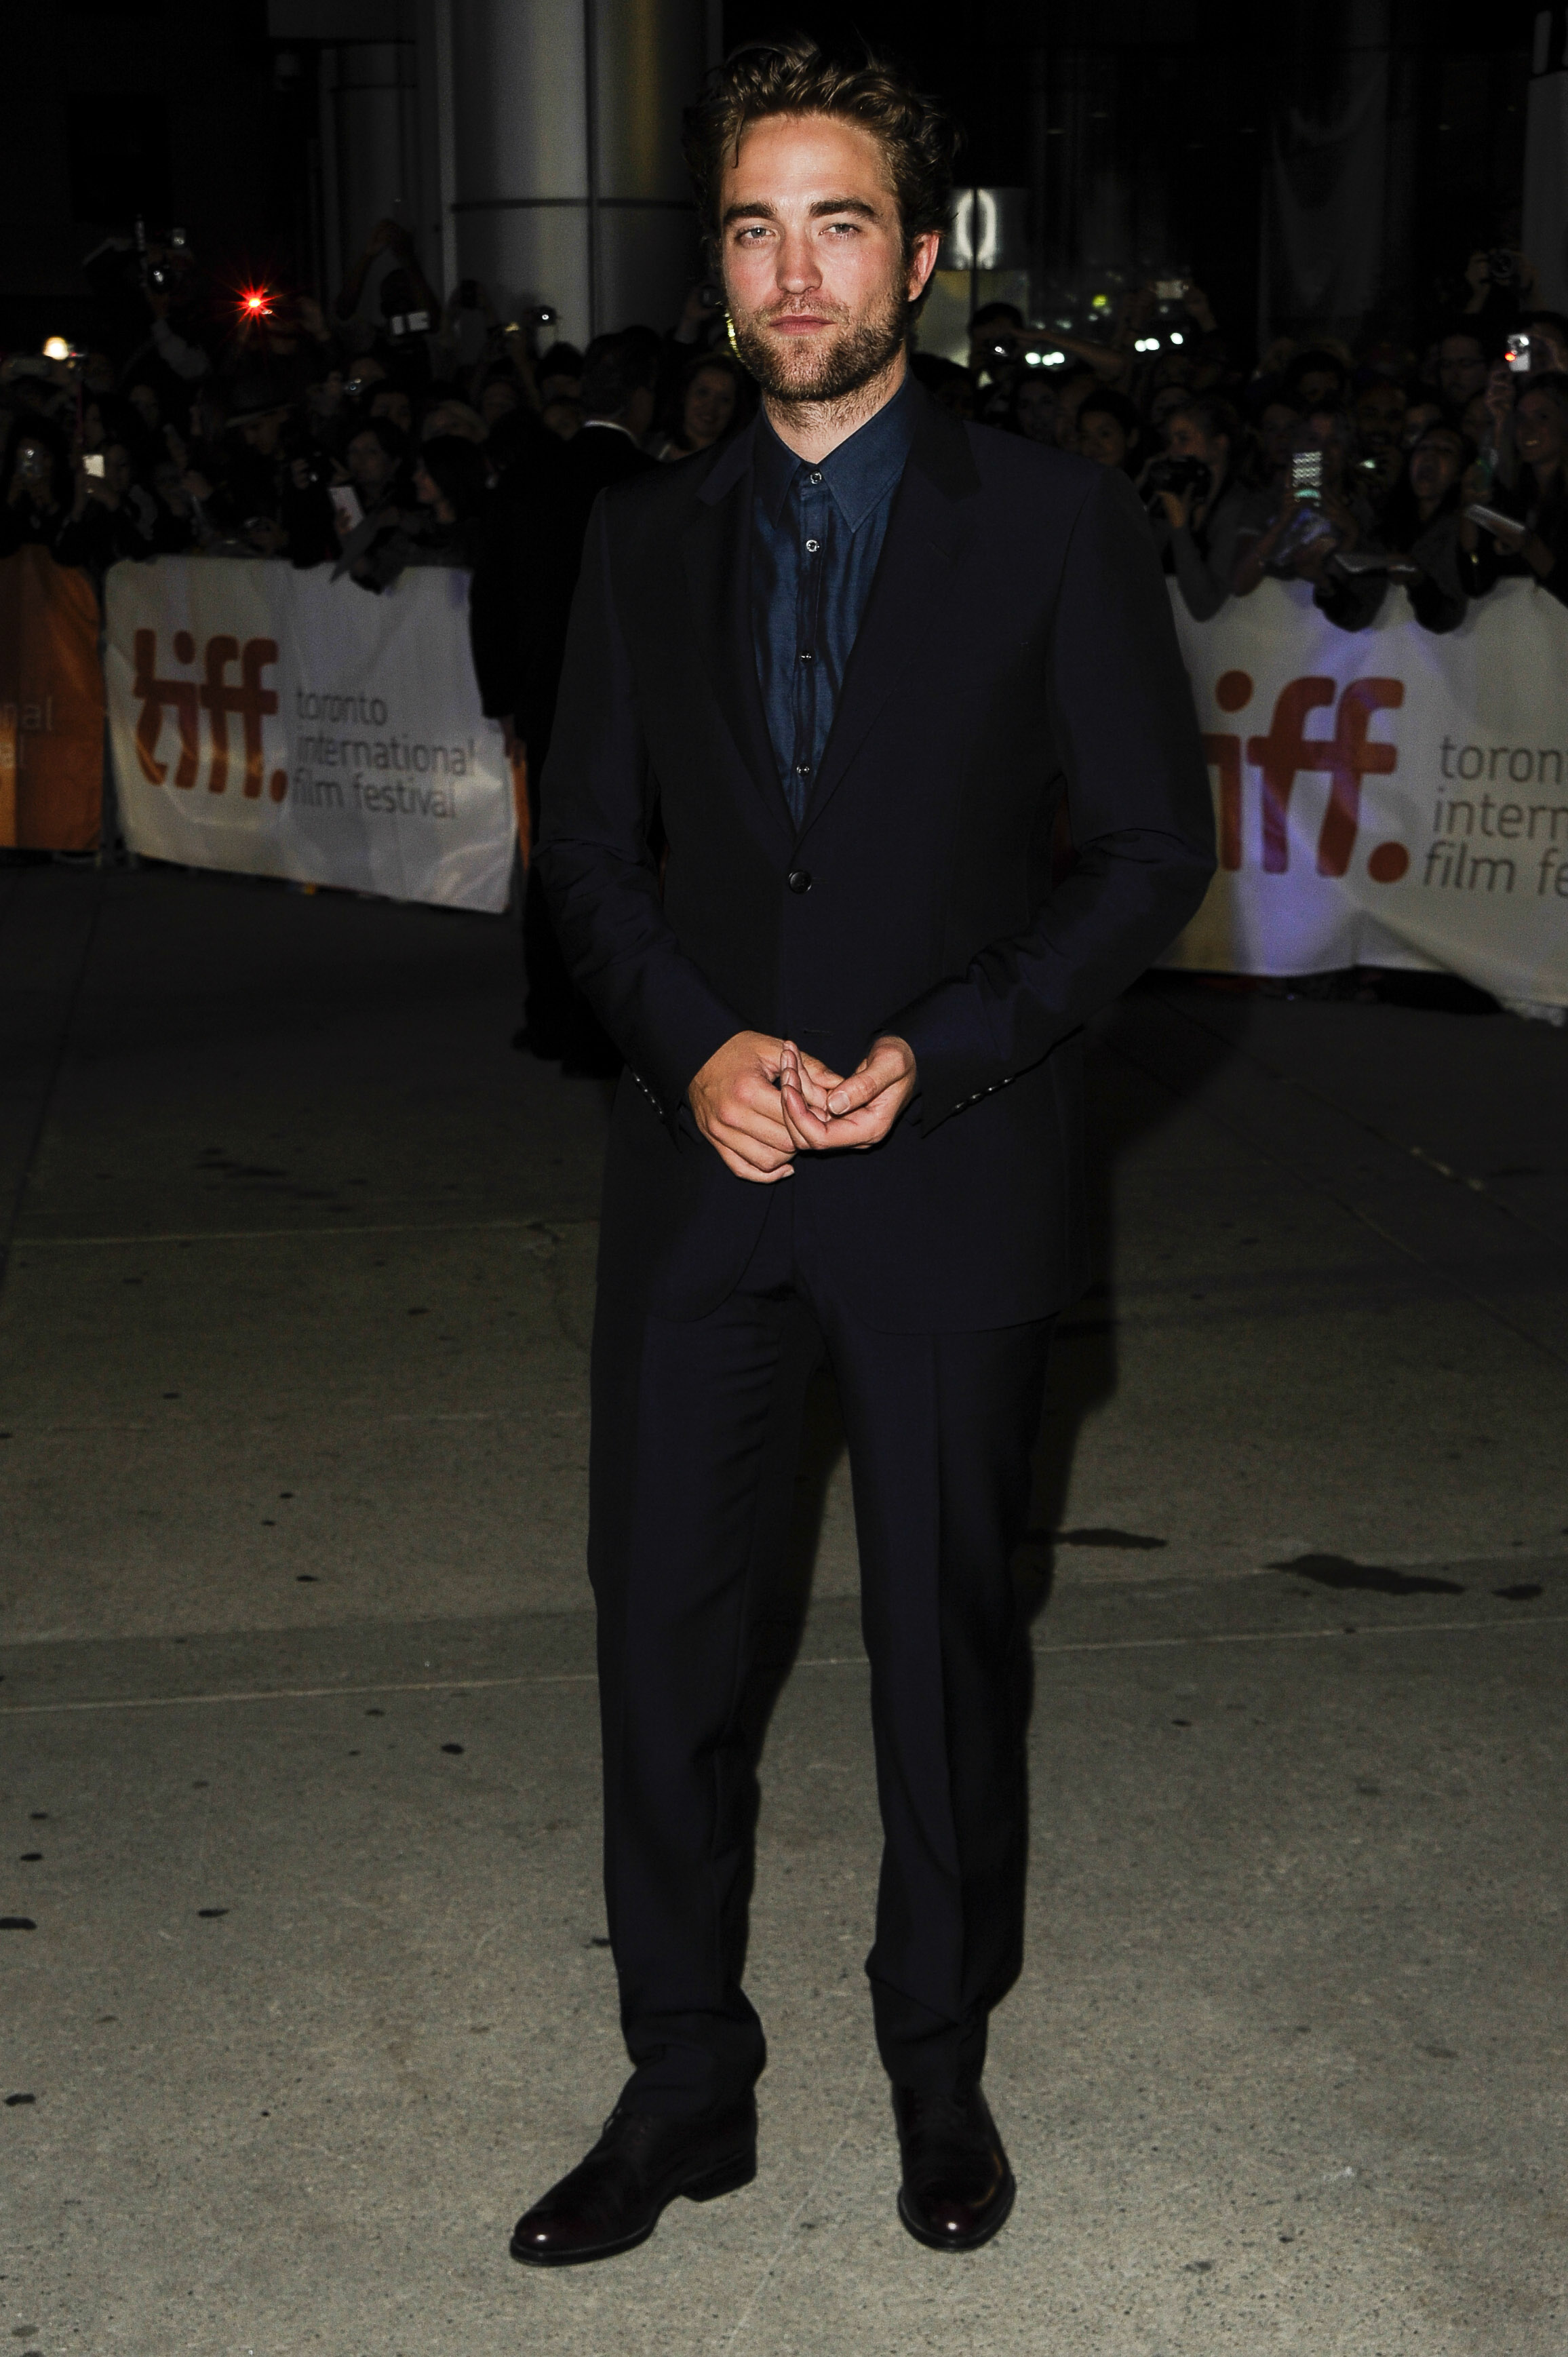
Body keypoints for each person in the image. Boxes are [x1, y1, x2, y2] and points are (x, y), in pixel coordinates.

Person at [513, 34, 1213, 2270]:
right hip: (700, 1179)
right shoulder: (641, 539)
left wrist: (950, 1042)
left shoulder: (1054, 524)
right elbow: (584, 855)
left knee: (943, 1652)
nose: (794, 270)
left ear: (917, 260)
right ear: (718, 263)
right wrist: (693, 1039)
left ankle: (937, 2062)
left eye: (839, 224)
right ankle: (682, 2083)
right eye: (754, 226)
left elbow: (1147, 851)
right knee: (665, 1648)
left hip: (951, 1173)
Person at [1457, 371, 1568, 609]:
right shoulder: (1512, 498)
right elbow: (1475, 582)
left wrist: (1531, 547)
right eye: (1520, 419)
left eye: (1542, 417)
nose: (1527, 429)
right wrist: (1469, 510)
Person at [1145, 393, 1249, 620]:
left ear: (1219, 444)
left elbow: (1203, 607)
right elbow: (1136, 571)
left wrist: (1179, 527)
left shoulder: (1238, 506)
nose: (1173, 452)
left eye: (1183, 439)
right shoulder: (1174, 493)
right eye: (1169, 442)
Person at [650, 349, 747, 460]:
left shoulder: (740, 464)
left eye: (724, 399)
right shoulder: (648, 447)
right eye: (703, 393)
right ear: (684, 394)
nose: (711, 406)